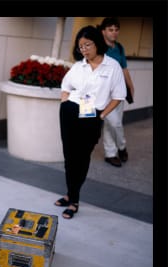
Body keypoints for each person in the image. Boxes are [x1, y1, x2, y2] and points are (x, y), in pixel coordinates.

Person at [55, 25, 126, 219]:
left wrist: (101, 115)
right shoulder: (79, 66)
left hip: (92, 116)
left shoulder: (112, 67)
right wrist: (65, 103)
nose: (84, 50)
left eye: (87, 45)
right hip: (70, 112)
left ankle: (73, 196)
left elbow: (119, 96)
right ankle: (72, 197)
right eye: (80, 47)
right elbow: (65, 86)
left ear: (97, 43)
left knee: (82, 157)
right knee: (69, 157)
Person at [98, 17, 135, 167]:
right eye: (110, 29)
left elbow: (124, 68)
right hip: (103, 92)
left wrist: (130, 86)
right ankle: (122, 146)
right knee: (113, 122)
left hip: (119, 91)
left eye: (116, 30)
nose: (114, 33)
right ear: (103, 31)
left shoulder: (119, 48)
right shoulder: (98, 48)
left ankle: (110, 154)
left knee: (113, 123)